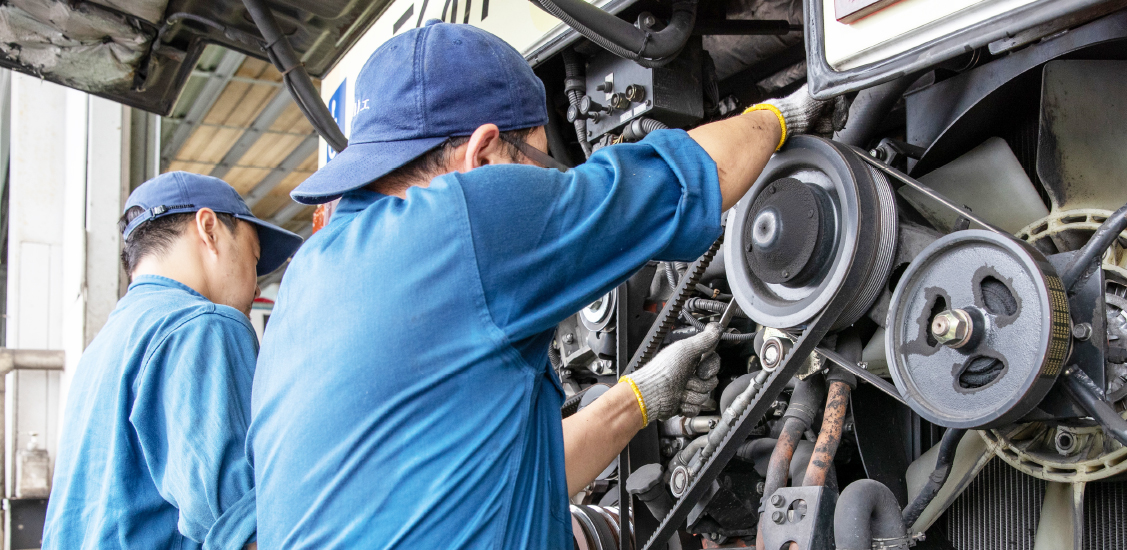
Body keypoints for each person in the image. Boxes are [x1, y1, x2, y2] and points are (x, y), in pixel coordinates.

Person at [249, 21, 825, 549]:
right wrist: (786, 115)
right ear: (483, 154)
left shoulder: (308, 277)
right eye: (544, 166)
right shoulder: (463, 219)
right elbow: (688, 176)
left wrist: (641, 397)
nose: (547, 186)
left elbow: (515, 470)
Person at [43, 172, 303, 549]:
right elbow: (241, 527)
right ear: (209, 229)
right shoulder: (202, 325)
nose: (256, 286)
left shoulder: (107, 344)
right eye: (253, 257)